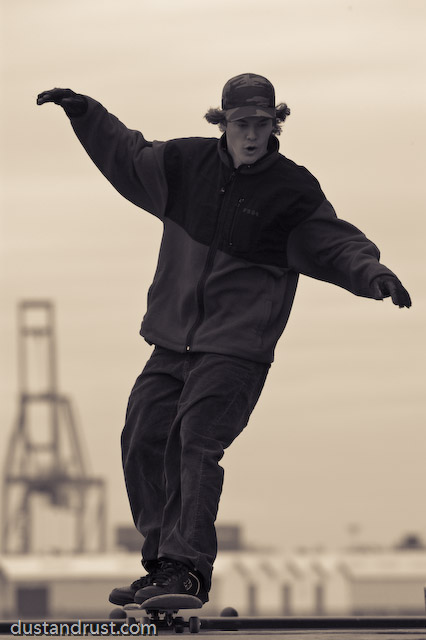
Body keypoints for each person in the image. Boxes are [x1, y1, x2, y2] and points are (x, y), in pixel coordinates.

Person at [37, 73, 411, 606]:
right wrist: (84, 113)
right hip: (171, 343)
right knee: (142, 434)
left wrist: (372, 273)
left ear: (276, 124)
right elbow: (127, 154)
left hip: (235, 351)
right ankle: (163, 562)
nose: (253, 135)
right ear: (222, 124)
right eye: (242, 125)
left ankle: (187, 569)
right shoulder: (183, 166)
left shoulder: (292, 191)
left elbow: (333, 243)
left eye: (263, 124)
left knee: (195, 438)